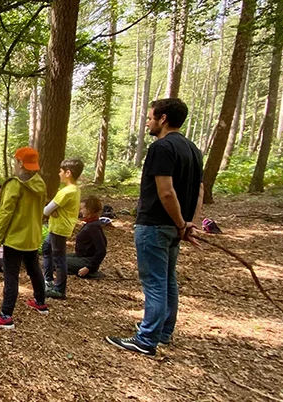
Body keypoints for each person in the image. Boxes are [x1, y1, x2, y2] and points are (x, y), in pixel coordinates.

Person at [106, 98, 203, 357]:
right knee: (168, 280)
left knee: (155, 283)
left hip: (155, 225)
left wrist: (182, 223)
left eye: (150, 117)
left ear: (162, 119)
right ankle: (163, 332)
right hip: (173, 226)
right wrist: (187, 222)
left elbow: (166, 191)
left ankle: (146, 339)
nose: (148, 121)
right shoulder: (194, 149)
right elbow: (200, 190)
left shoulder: (162, 147)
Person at [0, 147, 49, 329]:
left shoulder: (15, 184)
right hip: (32, 237)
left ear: (20, 163)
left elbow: (5, 213)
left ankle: (6, 315)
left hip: (15, 237)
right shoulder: (40, 183)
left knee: (11, 275)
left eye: (16, 161)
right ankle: (40, 302)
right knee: (33, 268)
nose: (15, 163)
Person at [42, 158, 84, 300]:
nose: (58, 174)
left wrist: (51, 211)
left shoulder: (66, 192)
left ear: (68, 173)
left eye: (60, 171)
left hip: (59, 228)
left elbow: (47, 210)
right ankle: (47, 280)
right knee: (46, 249)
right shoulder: (75, 189)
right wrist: (54, 210)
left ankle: (60, 289)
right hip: (57, 226)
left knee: (59, 258)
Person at [67, 195, 108, 278]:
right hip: (80, 256)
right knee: (56, 257)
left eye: (82, 208)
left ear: (90, 210)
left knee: (58, 262)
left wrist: (89, 267)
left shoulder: (93, 226)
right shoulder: (90, 224)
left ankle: (88, 272)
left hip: (87, 261)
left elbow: (101, 250)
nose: (80, 211)